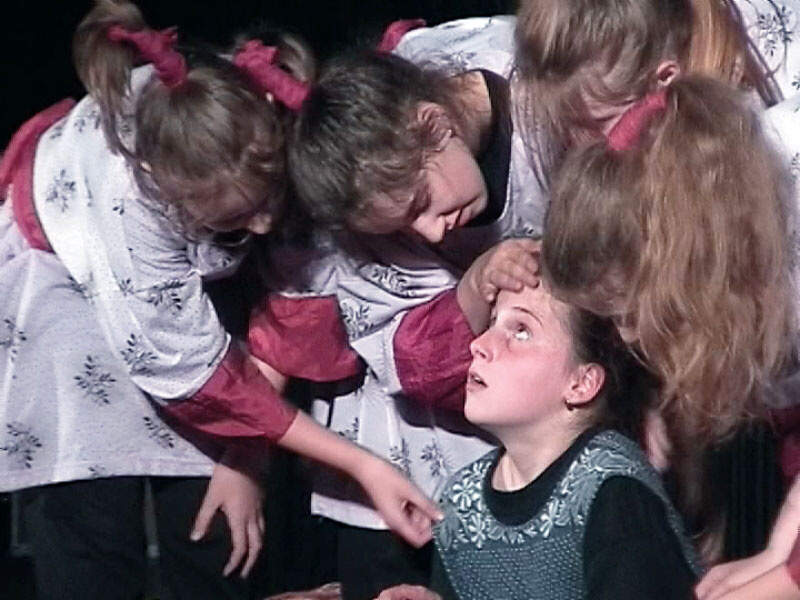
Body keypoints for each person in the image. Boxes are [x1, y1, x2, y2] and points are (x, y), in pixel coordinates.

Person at [0, 2, 439, 599]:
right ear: (163, 184)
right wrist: (360, 463)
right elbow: (196, 376)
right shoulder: (129, 204)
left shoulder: (258, 126)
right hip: (65, 285)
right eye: (239, 217)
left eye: (266, 200)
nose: (263, 226)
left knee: (215, 524)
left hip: (197, 294)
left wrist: (245, 458)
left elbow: (295, 309)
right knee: (91, 516)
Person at [377, 282, 700, 600]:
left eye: (521, 331)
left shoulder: (613, 492)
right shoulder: (462, 499)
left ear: (581, 383)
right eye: (492, 323)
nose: (479, 344)